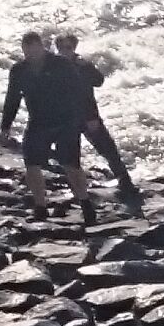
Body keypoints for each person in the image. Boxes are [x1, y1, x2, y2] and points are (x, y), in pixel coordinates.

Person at [0, 28, 99, 222]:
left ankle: (86, 203)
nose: (31, 56)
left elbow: (80, 91)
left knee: (71, 164)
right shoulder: (19, 70)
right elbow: (12, 99)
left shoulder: (61, 64)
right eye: (27, 53)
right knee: (31, 164)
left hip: (66, 121)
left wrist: (89, 117)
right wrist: (5, 127)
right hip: (38, 121)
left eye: (34, 52)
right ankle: (40, 206)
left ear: (42, 47)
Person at [51, 30, 141, 212]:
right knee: (69, 157)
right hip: (65, 120)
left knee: (108, 149)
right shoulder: (54, 66)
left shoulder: (82, 65)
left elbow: (98, 82)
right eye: (60, 47)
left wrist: (91, 117)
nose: (63, 51)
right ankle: (78, 192)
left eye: (67, 47)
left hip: (87, 116)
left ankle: (125, 182)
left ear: (74, 48)